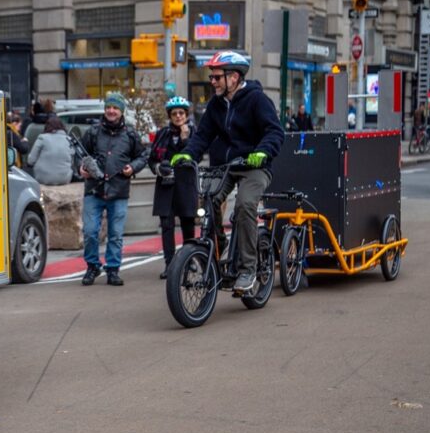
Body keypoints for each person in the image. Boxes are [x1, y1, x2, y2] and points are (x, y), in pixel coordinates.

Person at [172, 51, 284, 295]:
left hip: (255, 167)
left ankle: (247, 269)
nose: (212, 81)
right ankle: (218, 252)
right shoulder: (216, 104)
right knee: (208, 202)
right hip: (226, 167)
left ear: (233, 77)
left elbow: (275, 132)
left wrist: (263, 151)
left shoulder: (257, 100)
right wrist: (188, 153)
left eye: (216, 77)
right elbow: (203, 136)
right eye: (211, 77)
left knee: (244, 206)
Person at [79, 92, 149, 287]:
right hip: (94, 189)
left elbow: (143, 156)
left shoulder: (130, 134)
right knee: (90, 232)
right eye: (109, 107)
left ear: (121, 111)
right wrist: (81, 168)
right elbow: (79, 154)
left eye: (115, 108)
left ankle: (113, 269)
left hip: (119, 191)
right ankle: (92, 266)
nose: (111, 111)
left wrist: (132, 168)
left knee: (116, 234)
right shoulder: (93, 132)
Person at [148, 97, 197, 279]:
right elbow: (152, 159)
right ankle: (169, 264)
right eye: (174, 113)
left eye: (181, 113)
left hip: (185, 184)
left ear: (186, 115)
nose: (178, 116)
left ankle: (189, 260)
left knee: (187, 225)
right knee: (167, 226)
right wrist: (158, 168)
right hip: (165, 186)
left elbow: (194, 156)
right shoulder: (162, 134)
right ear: (170, 115)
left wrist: (184, 139)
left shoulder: (193, 133)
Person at [26, 116, 74, 185]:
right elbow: (72, 161)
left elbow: (31, 160)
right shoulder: (69, 140)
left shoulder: (42, 138)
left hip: (43, 178)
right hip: (64, 179)